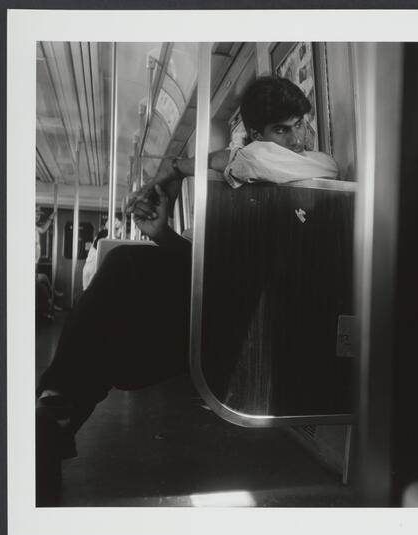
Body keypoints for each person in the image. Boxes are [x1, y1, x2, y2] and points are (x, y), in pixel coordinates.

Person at [35, 76, 340, 505]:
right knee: (123, 272)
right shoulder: (229, 184)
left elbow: (271, 162)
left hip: (259, 321)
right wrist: (162, 233)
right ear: (255, 133)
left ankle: (54, 416)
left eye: (300, 125)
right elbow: (200, 263)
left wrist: (180, 167)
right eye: (282, 129)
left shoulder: (310, 167)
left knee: (119, 302)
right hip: (219, 303)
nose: (296, 139)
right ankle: (53, 420)